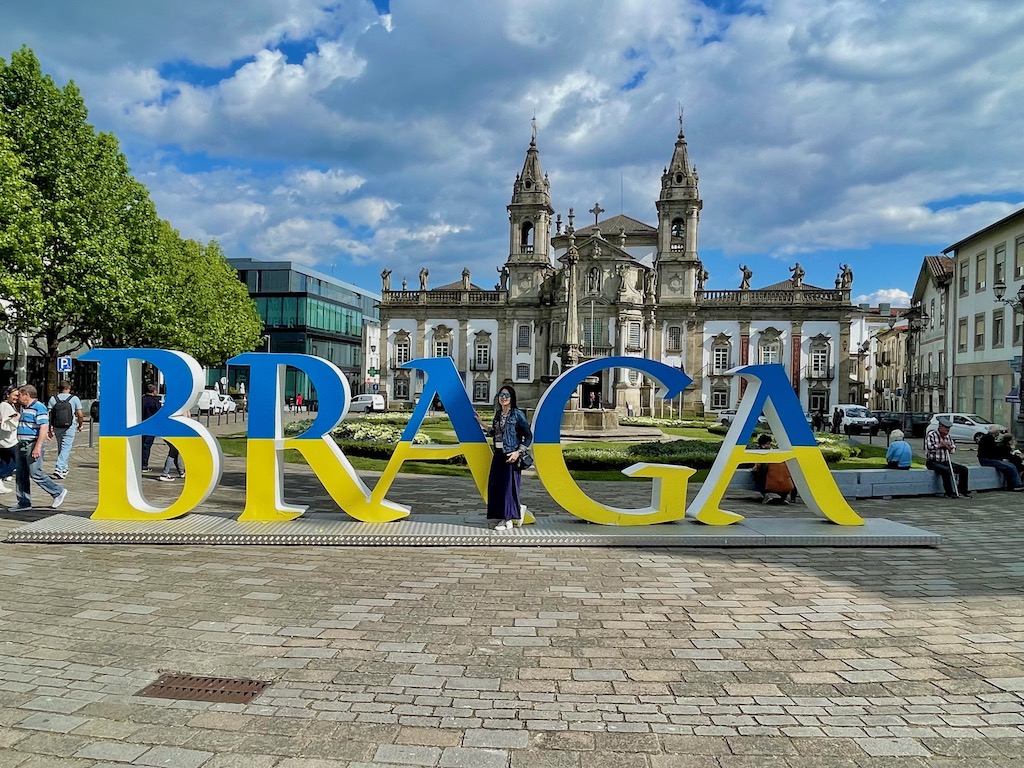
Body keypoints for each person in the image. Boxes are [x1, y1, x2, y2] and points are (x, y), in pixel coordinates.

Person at [479, 386, 533, 531]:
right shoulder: (498, 414)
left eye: (507, 395)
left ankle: (508, 520)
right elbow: (494, 432)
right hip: (498, 454)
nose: (504, 397)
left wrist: (518, 452)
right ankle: (514, 510)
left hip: (511, 455)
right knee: (496, 486)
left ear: (512, 398)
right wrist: (481, 423)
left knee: (509, 488)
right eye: (501, 395)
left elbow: (528, 436)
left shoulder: (517, 414)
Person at [10, 385, 67, 512]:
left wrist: (38, 447)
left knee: (35, 472)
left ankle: (58, 491)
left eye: (20, 395)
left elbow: (43, 427)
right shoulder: (24, 408)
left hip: (32, 444)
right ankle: (24, 502)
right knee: (21, 474)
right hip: (21, 444)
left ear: (27, 395)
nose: (18, 397)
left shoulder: (39, 407)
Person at [46, 380, 84, 480]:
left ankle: (64, 468)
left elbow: (49, 415)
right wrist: (80, 425)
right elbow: (80, 414)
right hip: (69, 426)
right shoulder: (74, 398)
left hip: (57, 426)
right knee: (66, 448)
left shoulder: (53, 399)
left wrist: (49, 428)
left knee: (61, 447)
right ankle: (58, 469)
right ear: (69, 389)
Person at [925, 416, 970, 498]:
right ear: (940, 427)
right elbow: (929, 448)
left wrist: (950, 448)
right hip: (933, 461)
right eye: (945, 428)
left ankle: (962, 491)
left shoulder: (948, 437)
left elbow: (953, 449)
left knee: (963, 469)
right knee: (946, 471)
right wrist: (940, 445)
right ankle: (949, 493)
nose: (947, 430)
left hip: (945, 461)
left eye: (948, 428)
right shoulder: (932, 435)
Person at [750, 433, 797, 504]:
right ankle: (786, 497)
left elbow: (757, 467)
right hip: (784, 480)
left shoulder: (762, 453)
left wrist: (753, 470)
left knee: (757, 475)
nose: (769, 445)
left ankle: (766, 495)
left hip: (770, 480)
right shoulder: (778, 453)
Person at [977, 424, 1024, 491]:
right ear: (995, 432)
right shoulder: (988, 439)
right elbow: (991, 453)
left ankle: (1012, 484)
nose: (999, 433)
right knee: (1011, 466)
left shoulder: (988, 438)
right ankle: (1017, 484)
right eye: (998, 431)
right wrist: (1002, 459)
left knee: (1009, 466)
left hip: (987, 459)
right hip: (987, 460)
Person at [0, 385, 20, 494]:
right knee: (16, 461)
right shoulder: (5, 405)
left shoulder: (8, 404)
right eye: (15, 395)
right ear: (8, 395)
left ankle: (1, 481)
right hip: (8, 440)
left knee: (5, 461)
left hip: (5, 439)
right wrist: (18, 416)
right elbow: (9, 420)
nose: (17, 397)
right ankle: (2, 476)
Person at [140, 383, 162, 471]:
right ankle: (144, 465)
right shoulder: (154, 402)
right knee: (147, 445)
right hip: (151, 425)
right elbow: (158, 413)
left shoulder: (140, 399)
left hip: (140, 424)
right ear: (153, 391)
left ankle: (138, 463)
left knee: (140, 444)